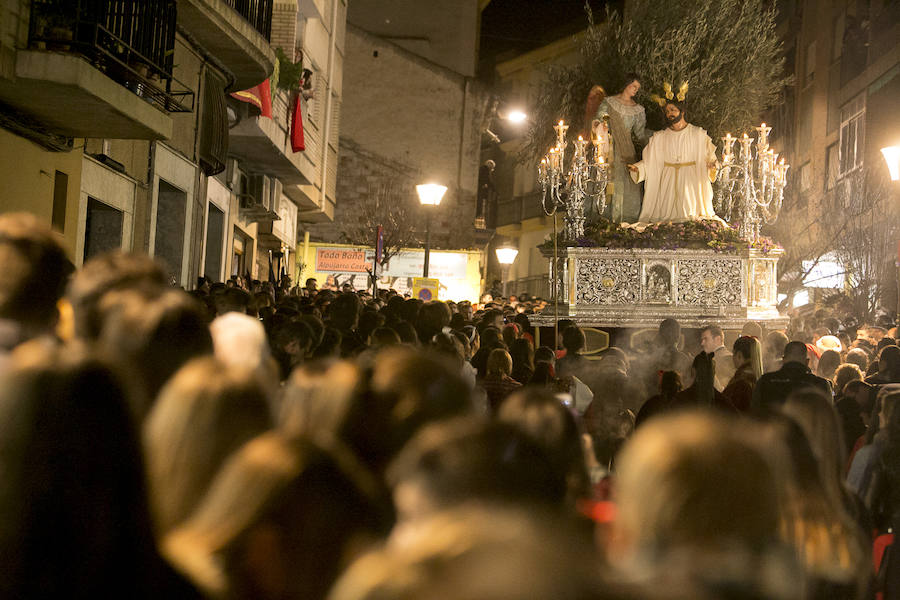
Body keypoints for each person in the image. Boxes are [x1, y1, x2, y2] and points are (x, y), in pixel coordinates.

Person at [627, 92, 720, 225]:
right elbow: (651, 161)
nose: (669, 113)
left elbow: (710, 157)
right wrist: (638, 168)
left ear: (682, 112)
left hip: (690, 181)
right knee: (666, 219)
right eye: (667, 111)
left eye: (673, 110)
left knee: (689, 217)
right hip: (667, 181)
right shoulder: (660, 137)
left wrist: (712, 165)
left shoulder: (698, 134)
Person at [591, 74, 651, 222]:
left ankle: (626, 222)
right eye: (634, 86)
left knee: (628, 183)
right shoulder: (608, 103)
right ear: (626, 84)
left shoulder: (638, 110)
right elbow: (598, 121)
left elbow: (640, 134)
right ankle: (604, 221)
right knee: (607, 181)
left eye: (638, 88)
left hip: (627, 151)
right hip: (609, 149)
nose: (636, 90)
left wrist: (659, 137)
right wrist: (601, 126)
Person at [752, 341, 833, 414]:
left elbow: (754, 413)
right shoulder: (821, 385)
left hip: (772, 429)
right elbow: (828, 419)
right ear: (807, 362)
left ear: (783, 360)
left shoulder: (765, 381)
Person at [722, 335, 763, 413]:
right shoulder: (757, 378)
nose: (732, 358)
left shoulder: (740, 383)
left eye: (733, 354)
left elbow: (726, 409)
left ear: (739, 355)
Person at [699, 324, 734, 391]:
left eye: (705, 339)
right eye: (702, 340)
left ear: (717, 339)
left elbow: (725, 391)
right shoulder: (729, 357)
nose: (702, 343)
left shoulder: (727, 358)